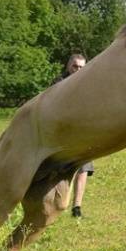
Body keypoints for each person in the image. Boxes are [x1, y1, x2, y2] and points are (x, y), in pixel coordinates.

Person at [54, 54, 94, 218]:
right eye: (75, 66)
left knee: (83, 168)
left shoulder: (88, 84)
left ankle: (76, 208)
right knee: (59, 170)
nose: (78, 70)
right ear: (68, 66)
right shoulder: (58, 83)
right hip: (63, 133)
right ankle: (55, 205)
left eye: (82, 67)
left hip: (82, 131)